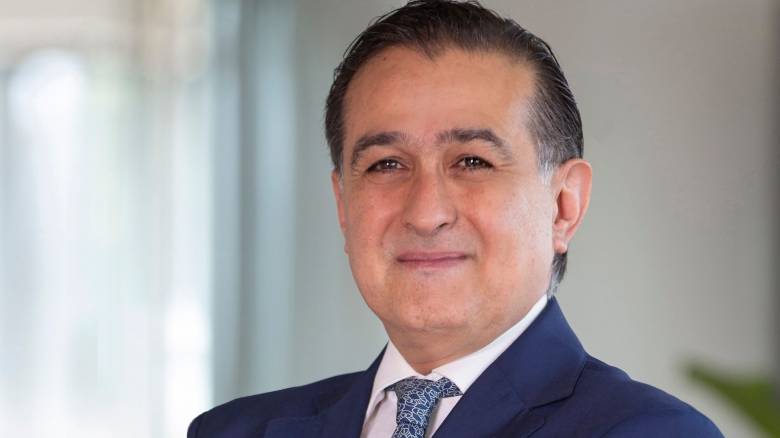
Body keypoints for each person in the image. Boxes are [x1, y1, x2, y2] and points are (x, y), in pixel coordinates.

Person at [188, 1, 723, 436]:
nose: (426, 213)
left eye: (472, 162)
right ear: (343, 205)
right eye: (386, 164)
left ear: (564, 206)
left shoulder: (653, 431)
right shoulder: (232, 431)